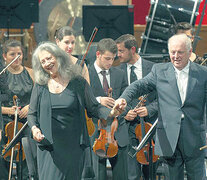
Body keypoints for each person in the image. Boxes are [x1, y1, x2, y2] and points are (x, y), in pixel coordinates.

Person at [114, 33, 207, 180]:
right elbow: (138, 86)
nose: (176, 56)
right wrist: (123, 98)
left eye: (180, 52)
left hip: (195, 137)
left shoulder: (203, 73)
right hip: (168, 138)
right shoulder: (159, 71)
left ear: (190, 52)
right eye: (172, 52)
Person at [27, 41, 125, 180]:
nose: (47, 63)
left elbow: (93, 108)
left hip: (73, 146)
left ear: (58, 56)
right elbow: (32, 113)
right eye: (43, 61)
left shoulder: (78, 82)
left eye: (49, 58)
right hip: (49, 147)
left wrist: (112, 113)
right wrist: (34, 129)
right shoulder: (40, 85)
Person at [115, 34, 158, 180]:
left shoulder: (154, 68)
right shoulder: (117, 71)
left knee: (150, 173)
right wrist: (125, 113)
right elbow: (116, 98)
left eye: (121, 51)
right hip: (128, 127)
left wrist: (150, 109)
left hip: (150, 126)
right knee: (131, 174)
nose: (118, 54)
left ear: (132, 49)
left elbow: (164, 98)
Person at [88, 38, 128, 180]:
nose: (110, 63)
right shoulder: (86, 72)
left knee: (122, 176)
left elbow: (126, 96)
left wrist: (122, 103)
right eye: (107, 58)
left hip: (118, 133)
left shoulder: (119, 74)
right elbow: (80, 99)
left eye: (113, 59)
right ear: (98, 54)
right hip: (97, 134)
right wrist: (98, 100)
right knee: (98, 176)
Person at [0, 39, 37, 180]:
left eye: (19, 53)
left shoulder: (32, 73)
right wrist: (8, 110)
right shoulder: (2, 75)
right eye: (12, 54)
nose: (17, 57)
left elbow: (39, 97)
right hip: (5, 122)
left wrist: (30, 106)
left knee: (28, 159)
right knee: (4, 159)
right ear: (4, 56)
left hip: (27, 122)